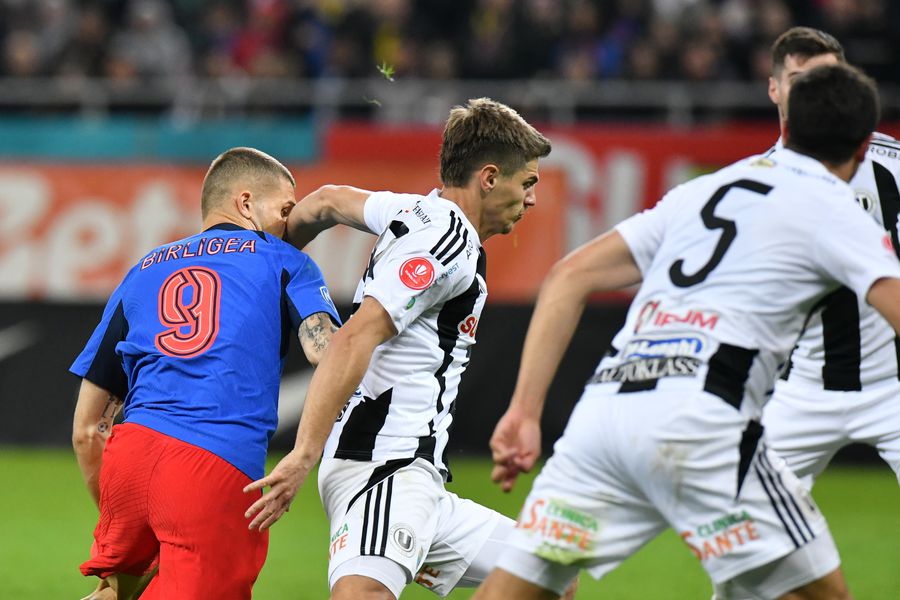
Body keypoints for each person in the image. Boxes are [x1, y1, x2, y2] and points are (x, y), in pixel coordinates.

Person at [474, 64, 900, 600]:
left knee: (512, 592)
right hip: (703, 424)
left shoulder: (703, 191)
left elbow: (568, 276)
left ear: (785, 128)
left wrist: (524, 412)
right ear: (863, 148)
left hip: (605, 416)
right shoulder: (836, 208)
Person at [242, 98, 564, 600]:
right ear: (489, 177)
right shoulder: (448, 239)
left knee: (545, 577)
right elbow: (357, 335)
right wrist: (302, 455)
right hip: (386, 467)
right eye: (528, 183)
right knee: (363, 593)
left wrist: (268, 260)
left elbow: (327, 200)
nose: (532, 200)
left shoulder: (413, 211)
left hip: (419, 478)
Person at [70, 147, 340, 599]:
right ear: (246, 203)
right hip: (213, 466)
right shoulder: (284, 260)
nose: (291, 225)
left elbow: (86, 430)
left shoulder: (143, 269)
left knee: (115, 593)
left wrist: (123, 509)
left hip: (129, 459)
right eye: (285, 210)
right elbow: (327, 354)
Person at [761, 27, 900, 489]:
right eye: (801, 79)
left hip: (895, 388)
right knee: (740, 517)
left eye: (827, 78)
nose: (816, 93)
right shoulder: (758, 183)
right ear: (775, 89)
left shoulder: (893, 166)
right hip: (804, 390)